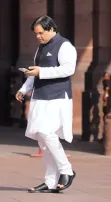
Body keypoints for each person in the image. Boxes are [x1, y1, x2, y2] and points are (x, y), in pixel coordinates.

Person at [15, 15, 77, 193]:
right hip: (40, 96)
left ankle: (67, 170)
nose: (38, 37)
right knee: (43, 141)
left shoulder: (65, 46)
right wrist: (24, 88)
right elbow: (35, 73)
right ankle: (50, 181)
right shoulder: (40, 48)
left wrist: (41, 71)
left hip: (57, 96)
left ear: (51, 29)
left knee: (47, 133)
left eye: (40, 33)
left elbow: (68, 69)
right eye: (35, 34)